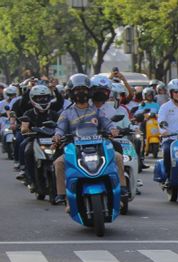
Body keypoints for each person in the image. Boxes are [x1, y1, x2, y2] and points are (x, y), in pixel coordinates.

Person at [51, 74, 127, 206]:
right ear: (72, 93)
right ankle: (62, 195)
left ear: (89, 92)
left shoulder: (96, 111)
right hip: (75, 148)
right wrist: (57, 136)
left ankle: (121, 190)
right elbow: (60, 129)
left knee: (118, 157)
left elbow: (107, 123)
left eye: (84, 90)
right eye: (77, 90)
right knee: (58, 163)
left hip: (97, 147)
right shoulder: (66, 113)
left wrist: (113, 129)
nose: (81, 93)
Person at [19, 85, 60, 190]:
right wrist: (26, 130)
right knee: (26, 149)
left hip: (53, 141)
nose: (43, 100)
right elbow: (24, 127)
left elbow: (62, 126)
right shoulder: (28, 113)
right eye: (39, 98)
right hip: (34, 140)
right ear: (33, 99)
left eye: (45, 98)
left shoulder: (54, 114)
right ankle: (29, 177)